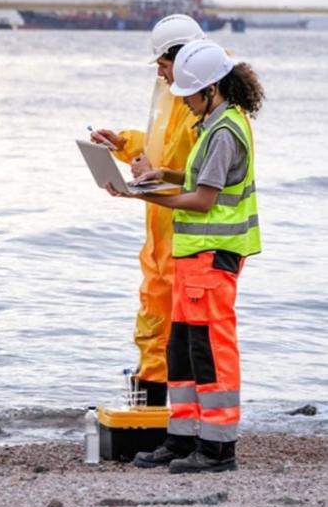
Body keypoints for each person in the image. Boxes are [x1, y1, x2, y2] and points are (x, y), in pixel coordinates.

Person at [104, 39, 265, 473]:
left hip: (213, 256)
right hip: (193, 257)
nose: (186, 103)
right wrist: (163, 174)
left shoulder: (225, 131)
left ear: (211, 89)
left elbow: (202, 200)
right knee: (182, 350)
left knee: (210, 351)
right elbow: (197, 177)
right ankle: (182, 437)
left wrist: (144, 197)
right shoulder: (214, 124)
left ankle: (216, 448)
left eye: (189, 95)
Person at [91, 14, 204, 406]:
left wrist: (149, 174)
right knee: (154, 322)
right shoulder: (174, 92)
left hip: (190, 232)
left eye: (163, 63)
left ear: (184, 57)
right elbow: (160, 149)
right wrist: (123, 144)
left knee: (187, 331)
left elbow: (200, 172)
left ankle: (186, 421)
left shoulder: (207, 99)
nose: (159, 72)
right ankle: (152, 414)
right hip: (161, 231)